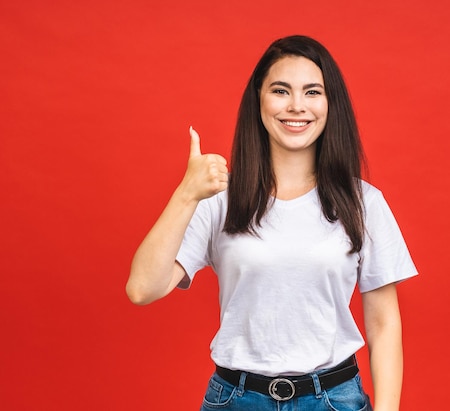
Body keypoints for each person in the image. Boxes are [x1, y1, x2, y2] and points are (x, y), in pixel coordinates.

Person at [126, 35, 417, 411]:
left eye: (313, 92)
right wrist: (186, 194)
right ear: (259, 100)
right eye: (281, 90)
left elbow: (383, 325)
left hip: (335, 399)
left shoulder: (364, 203)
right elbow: (142, 289)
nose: (297, 106)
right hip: (236, 399)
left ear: (331, 104)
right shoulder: (218, 200)